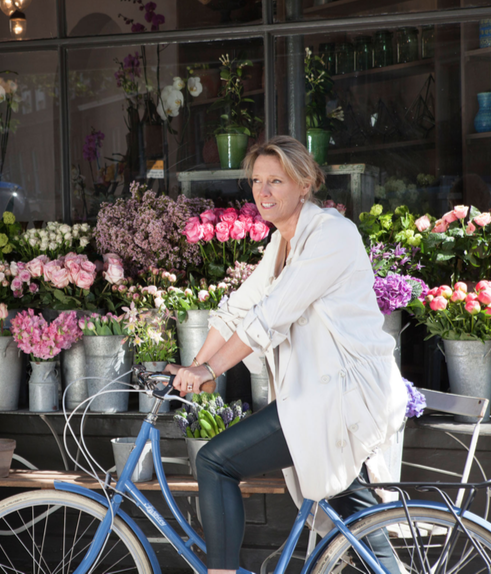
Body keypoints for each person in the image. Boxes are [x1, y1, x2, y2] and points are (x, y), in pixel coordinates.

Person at [166, 136, 407, 574]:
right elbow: (239, 307)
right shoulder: (281, 243)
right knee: (355, 519)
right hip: (318, 399)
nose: (263, 191)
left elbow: (271, 316)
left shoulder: (331, 234)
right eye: (257, 181)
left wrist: (210, 368)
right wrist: (194, 366)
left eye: (276, 180)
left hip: (342, 399)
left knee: (214, 461)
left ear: (305, 184)